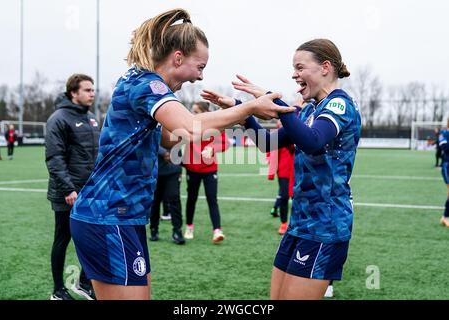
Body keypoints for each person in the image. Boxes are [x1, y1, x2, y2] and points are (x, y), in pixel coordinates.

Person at [69, 8, 294, 300]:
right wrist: (248, 108)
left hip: (124, 217)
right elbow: (188, 129)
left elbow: (173, 136)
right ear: (177, 58)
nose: (200, 76)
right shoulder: (148, 84)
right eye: (199, 66)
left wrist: (235, 116)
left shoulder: (144, 83)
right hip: (109, 216)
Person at [202, 38, 361, 299]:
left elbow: (312, 141)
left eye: (300, 67)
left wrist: (268, 101)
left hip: (326, 225)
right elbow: (268, 142)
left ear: (325, 67)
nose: (294, 74)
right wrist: (241, 111)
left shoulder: (339, 104)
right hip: (301, 221)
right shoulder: (311, 108)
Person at [45, 74, 99, 300]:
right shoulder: (58, 118)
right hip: (67, 194)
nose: (92, 93)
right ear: (73, 93)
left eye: (93, 89)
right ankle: (58, 290)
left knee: (94, 238)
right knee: (63, 239)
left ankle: (85, 282)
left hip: (90, 192)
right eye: (87, 90)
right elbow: (54, 158)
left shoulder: (92, 118)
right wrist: (68, 189)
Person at [183, 101, 230, 244]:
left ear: (204, 112)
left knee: (212, 199)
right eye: (193, 111)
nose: (193, 114)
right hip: (192, 168)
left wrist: (212, 148)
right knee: (192, 199)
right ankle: (189, 227)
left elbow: (225, 143)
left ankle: (217, 231)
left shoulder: (215, 125)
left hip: (210, 169)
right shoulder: (190, 125)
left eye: (196, 112)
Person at [149, 143, 185, 244]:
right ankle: (153, 229)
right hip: (155, 169)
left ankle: (177, 231)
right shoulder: (154, 126)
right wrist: (163, 152)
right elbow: (149, 139)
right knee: (155, 201)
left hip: (173, 168)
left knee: (174, 199)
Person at [266, 120, 295, 235]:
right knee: (284, 197)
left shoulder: (296, 133)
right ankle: (283, 223)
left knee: (298, 198)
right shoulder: (277, 135)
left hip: (297, 171)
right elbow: (271, 151)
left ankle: (296, 223)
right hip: (283, 171)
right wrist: (271, 171)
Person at [438, 118, 449, 227]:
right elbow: (444, 147)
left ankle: (444, 217)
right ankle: (445, 217)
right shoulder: (444, 133)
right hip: (447, 166)